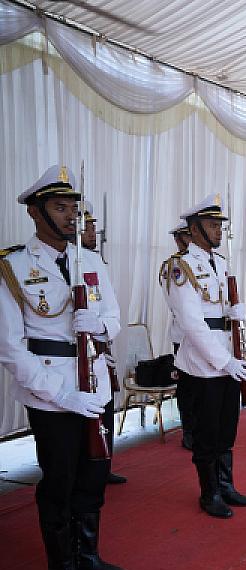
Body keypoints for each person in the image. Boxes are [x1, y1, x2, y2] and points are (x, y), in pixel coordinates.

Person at [0, 165, 127, 570]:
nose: (73, 214)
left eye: (75, 206)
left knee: (95, 475)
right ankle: (63, 568)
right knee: (59, 482)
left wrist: (102, 328)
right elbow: (11, 348)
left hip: (94, 383)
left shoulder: (89, 260)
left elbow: (114, 317)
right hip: (53, 392)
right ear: (35, 213)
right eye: (60, 206)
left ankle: (88, 554)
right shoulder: (13, 266)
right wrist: (61, 394)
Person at [162, 195, 246, 519]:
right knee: (206, 433)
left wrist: (235, 313)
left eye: (219, 225)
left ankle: (226, 484)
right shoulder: (181, 266)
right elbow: (191, 322)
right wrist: (224, 360)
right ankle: (209, 492)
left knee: (227, 428)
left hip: (227, 354)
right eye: (213, 225)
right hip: (202, 364)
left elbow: (220, 309)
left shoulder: (221, 263)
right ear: (195, 228)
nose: (219, 231)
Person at [77, 200, 127, 486]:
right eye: (90, 225)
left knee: (105, 408)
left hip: (99, 344)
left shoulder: (96, 262)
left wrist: (103, 331)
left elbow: (109, 308)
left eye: (95, 225)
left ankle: (104, 462)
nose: (94, 230)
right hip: (76, 354)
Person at [161, 219, 196, 450]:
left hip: (207, 335)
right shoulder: (174, 266)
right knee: (188, 388)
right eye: (186, 236)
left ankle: (202, 427)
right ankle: (190, 431)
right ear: (178, 239)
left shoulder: (206, 262)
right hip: (183, 336)